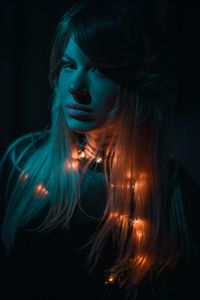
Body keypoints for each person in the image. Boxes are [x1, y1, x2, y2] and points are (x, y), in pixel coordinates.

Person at [0, 0, 199, 299]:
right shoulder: (22, 164)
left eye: (99, 70)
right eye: (69, 65)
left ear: (133, 82)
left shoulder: (174, 196)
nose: (76, 87)